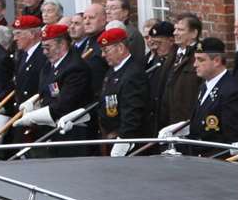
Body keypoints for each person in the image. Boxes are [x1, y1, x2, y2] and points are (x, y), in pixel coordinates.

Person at [14, 22, 94, 157]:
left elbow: (64, 105)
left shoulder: (75, 68)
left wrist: (33, 117)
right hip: (51, 130)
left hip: (72, 133)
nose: (44, 52)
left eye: (48, 47)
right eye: (43, 47)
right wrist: (34, 104)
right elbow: (46, 93)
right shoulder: (48, 66)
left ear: (62, 45)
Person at [186, 36, 238, 153]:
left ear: (216, 61)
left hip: (216, 161)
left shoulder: (231, 92)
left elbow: (233, 137)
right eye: (195, 59)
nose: (195, 64)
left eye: (201, 60)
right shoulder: (204, 86)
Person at [95, 27, 153, 152]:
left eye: (106, 50)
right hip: (110, 136)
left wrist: (124, 138)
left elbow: (133, 111)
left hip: (127, 140)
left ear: (120, 48)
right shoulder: (112, 71)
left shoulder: (133, 74)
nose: (103, 55)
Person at [161, 13, 203, 130]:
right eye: (175, 29)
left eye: (180, 30)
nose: (175, 33)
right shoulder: (172, 54)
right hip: (168, 121)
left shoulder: (200, 57)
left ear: (194, 33)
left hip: (186, 123)